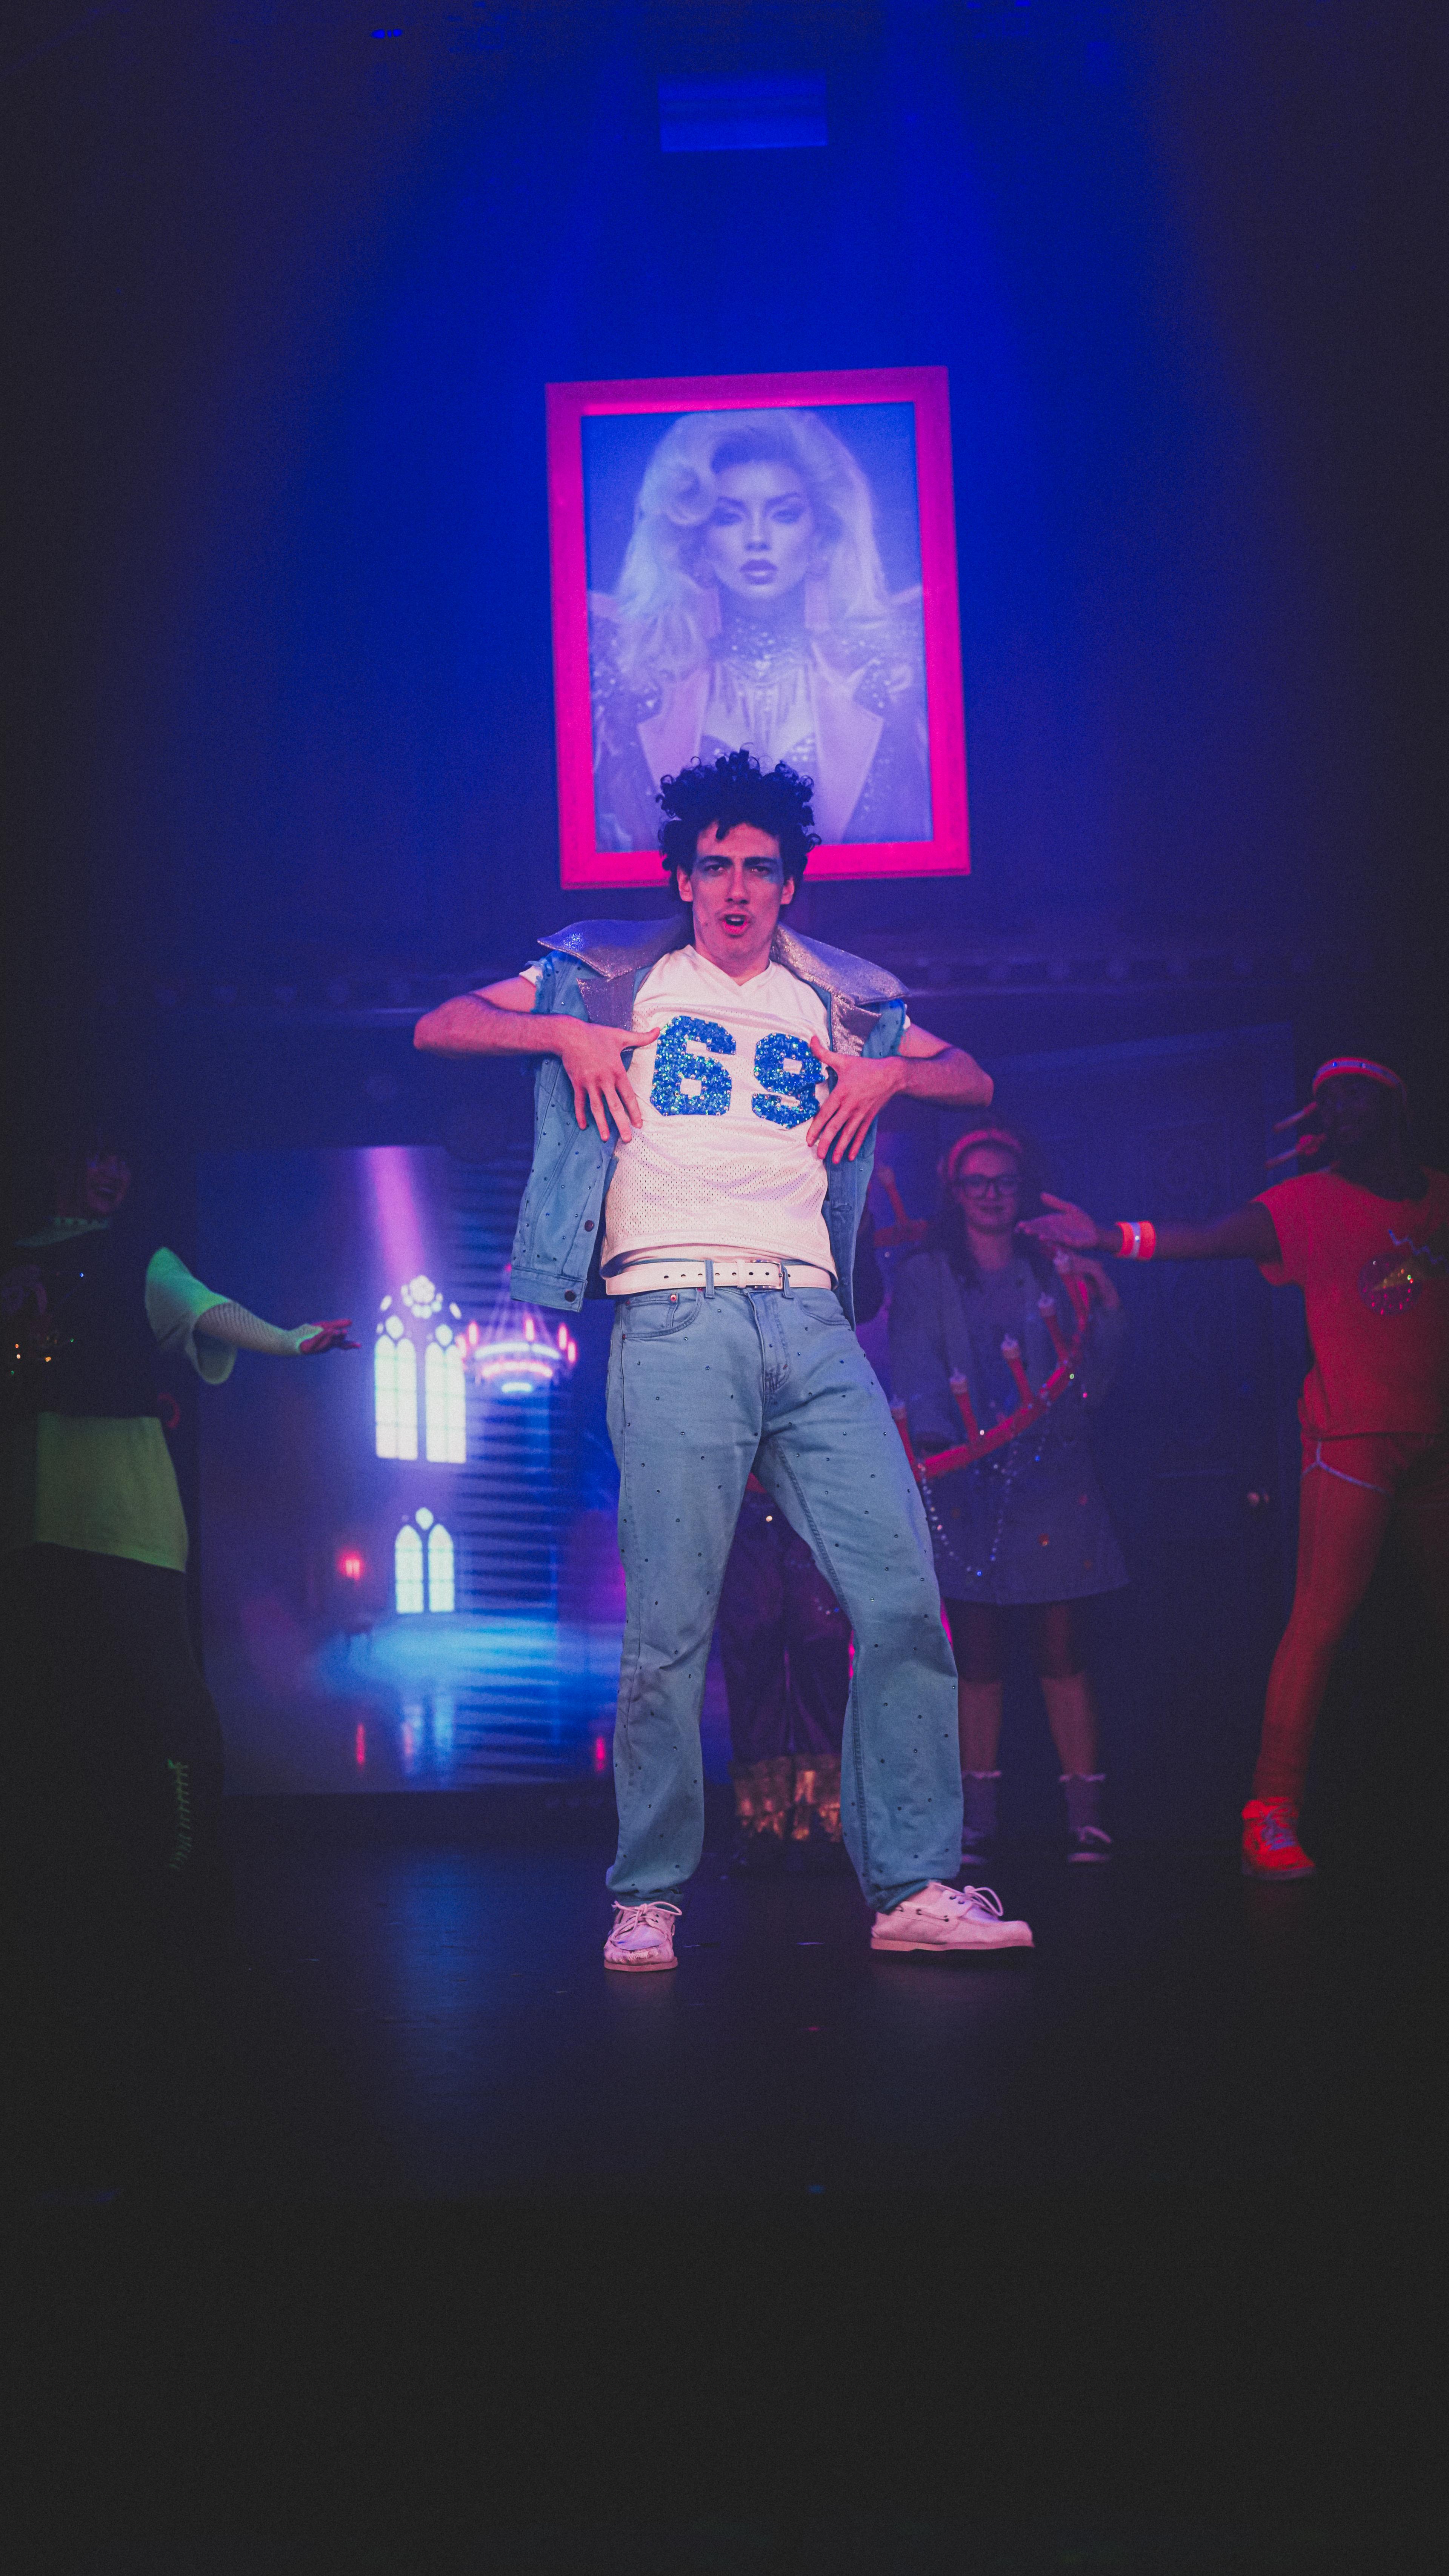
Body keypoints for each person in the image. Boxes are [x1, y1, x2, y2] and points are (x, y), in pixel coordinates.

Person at [415, 747, 1032, 1966]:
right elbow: (442, 1025)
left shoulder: (839, 997)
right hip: (676, 1313)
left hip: (811, 1320)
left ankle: (913, 1883)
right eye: (715, 867)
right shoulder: (609, 976)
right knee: (670, 1623)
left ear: (790, 883)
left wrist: (888, 1069)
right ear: (684, 879)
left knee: (903, 1598)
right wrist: (567, 1036)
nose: (737, 888)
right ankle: (647, 1892)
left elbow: (974, 1078)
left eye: (758, 868)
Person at [1017, 1061, 1449, 1881]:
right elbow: (1205, 1235)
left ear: (1397, 1104)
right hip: (1355, 1440)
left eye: (1355, 1094)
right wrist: (1103, 1236)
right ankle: (1269, 1814)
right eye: (1325, 1099)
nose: (1338, 1108)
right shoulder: (1307, 1202)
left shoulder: (1440, 1198)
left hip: (1441, 1443)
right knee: (1319, 1622)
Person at [0, 1136, 355, 1939]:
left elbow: (206, 1308)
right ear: (60, 1160)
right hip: (31, 1500)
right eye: (96, 1156)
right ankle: (64, 1872)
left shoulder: (140, 1258)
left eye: (121, 1160)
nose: (111, 1172)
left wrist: (292, 1338)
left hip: (124, 1499)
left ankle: (190, 1868)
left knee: (164, 1687)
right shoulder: (18, 1255)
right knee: (56, 1690)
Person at [889, 1127, 1128, 1864]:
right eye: (977, 1182)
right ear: (955, 1191)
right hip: (968, 1485)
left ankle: (1086, 1817)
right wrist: (951, 1452)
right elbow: (915, 1372)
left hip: (1054, 1477)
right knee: (979, 1656)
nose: (991, 1194)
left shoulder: (1053, 1262)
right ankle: (978, 1821)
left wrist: (1105, 1302)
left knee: (1063, 1649)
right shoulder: (925, 1273)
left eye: (1004, 1181)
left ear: (1022, 1189)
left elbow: (1093, 1375)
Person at [590, 409, 930, 853]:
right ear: (697, 539)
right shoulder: (636, 689)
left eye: (784, 515)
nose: (757, 538)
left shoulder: (887, 682)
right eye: (728, 517)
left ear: (821, 534)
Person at [719, 1212, 883, 1876]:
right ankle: (761, 1821)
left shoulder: (817, 1206)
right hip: (739, 1475)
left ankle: (827, 1818)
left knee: (821, 1640)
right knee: (752, 1641)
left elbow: (867, 1293)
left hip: (817, 1466)